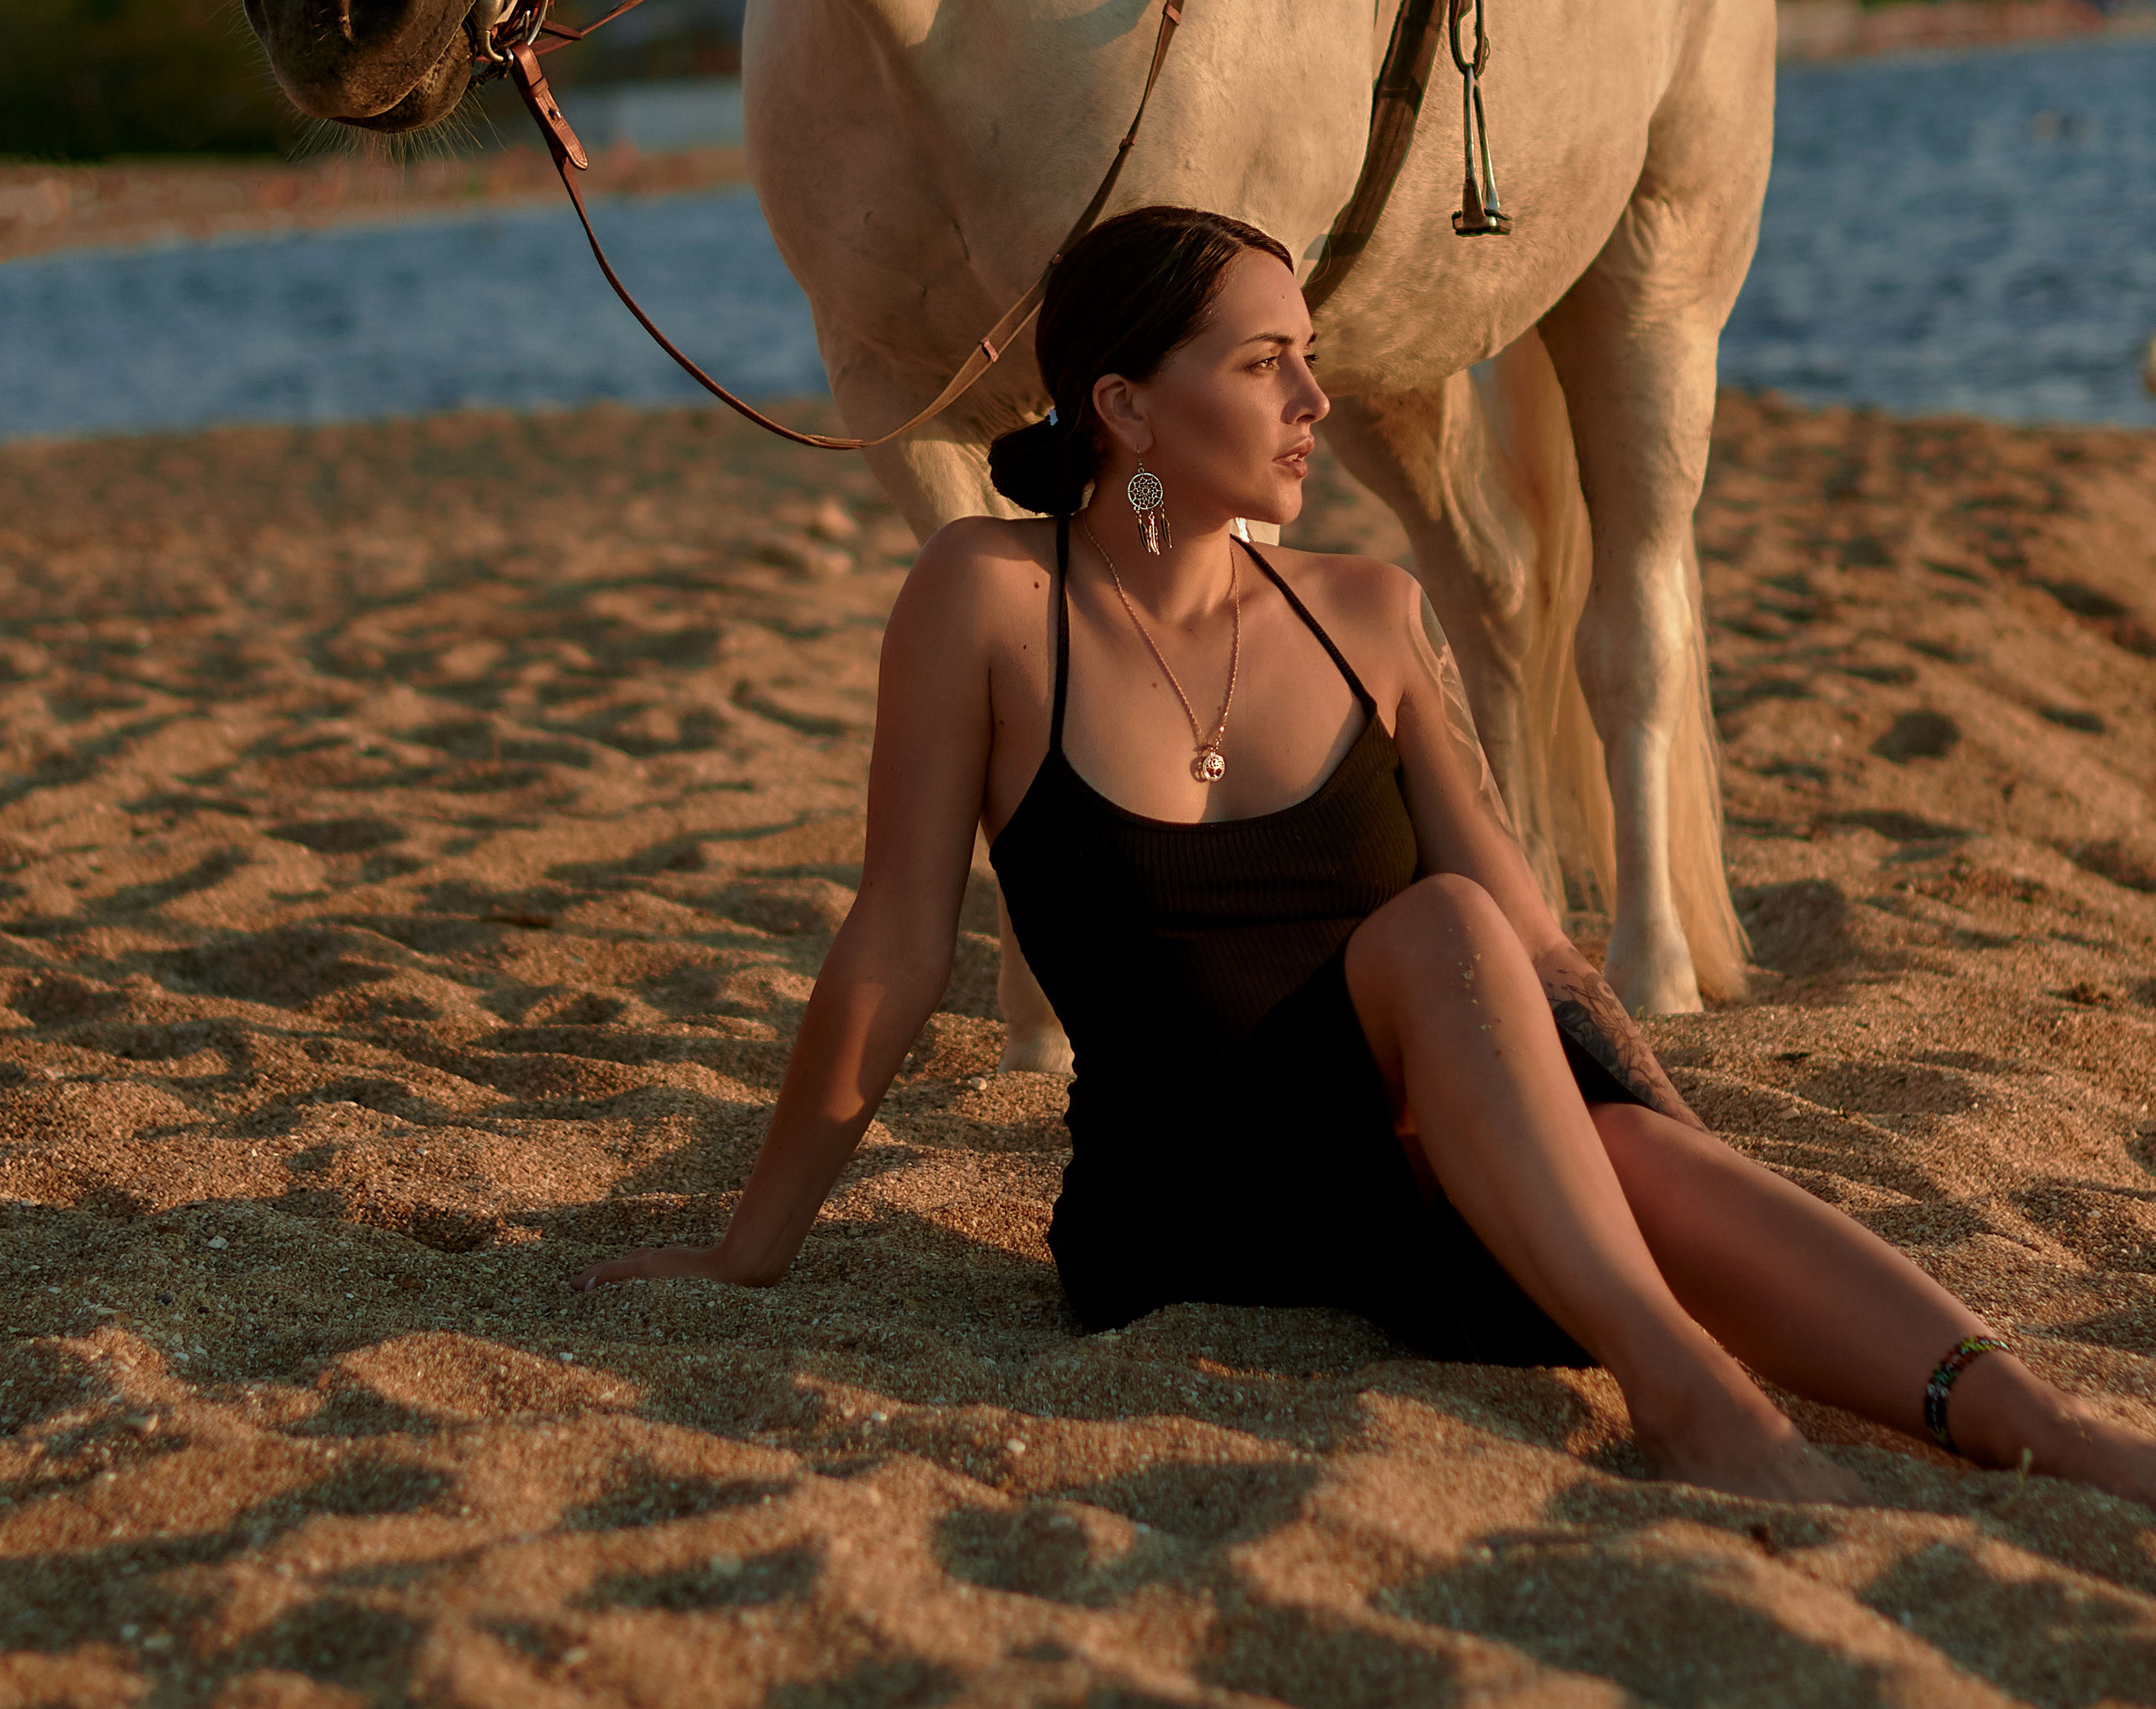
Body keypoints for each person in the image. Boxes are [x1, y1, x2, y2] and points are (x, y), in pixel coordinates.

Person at [582, 205, 2156, 1504]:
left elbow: (1538, 960)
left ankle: (2046, 1428)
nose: (1314, 405)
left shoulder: (1369, 618)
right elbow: (897, 942)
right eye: (1265, 366)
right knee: (1435, 927)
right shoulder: (990, 602)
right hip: (1187, 1202)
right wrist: (748, 1250)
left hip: (1424, 1166)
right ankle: (1690, 1396)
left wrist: (1664, 1142)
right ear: (1126, 406)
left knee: (1566, 1062)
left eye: (1310, 362)